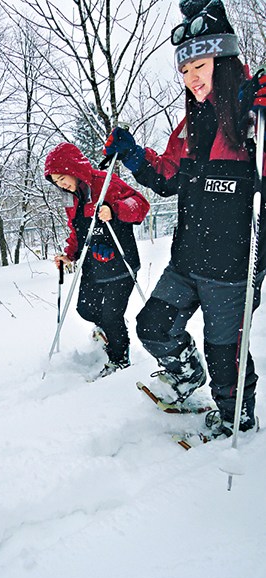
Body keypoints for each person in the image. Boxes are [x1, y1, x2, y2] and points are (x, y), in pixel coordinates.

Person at [102, 0, 266, 438]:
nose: (192, 77)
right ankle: (186, 375)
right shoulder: (189, 126)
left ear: (225, 60)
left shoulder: (256, 118)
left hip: (232, 268)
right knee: (152, 326)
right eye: (185, 68)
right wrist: (132, 154)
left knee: (225, 354)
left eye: (201, 64)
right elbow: (167, 177)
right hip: (187, 259)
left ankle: (237, 418)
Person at [44, 141, 150, 378]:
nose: (61, 185)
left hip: (121, 264)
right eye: (56, 182)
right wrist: (69, 254)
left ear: (74, 169)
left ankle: (119, 359)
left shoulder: (105, 183)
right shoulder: (70, 197)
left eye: (63, 178)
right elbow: (77, 229)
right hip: (93, 265)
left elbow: (141, 205)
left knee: (112, 316)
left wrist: (116, 209)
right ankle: (112, 330)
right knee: (85, 309)